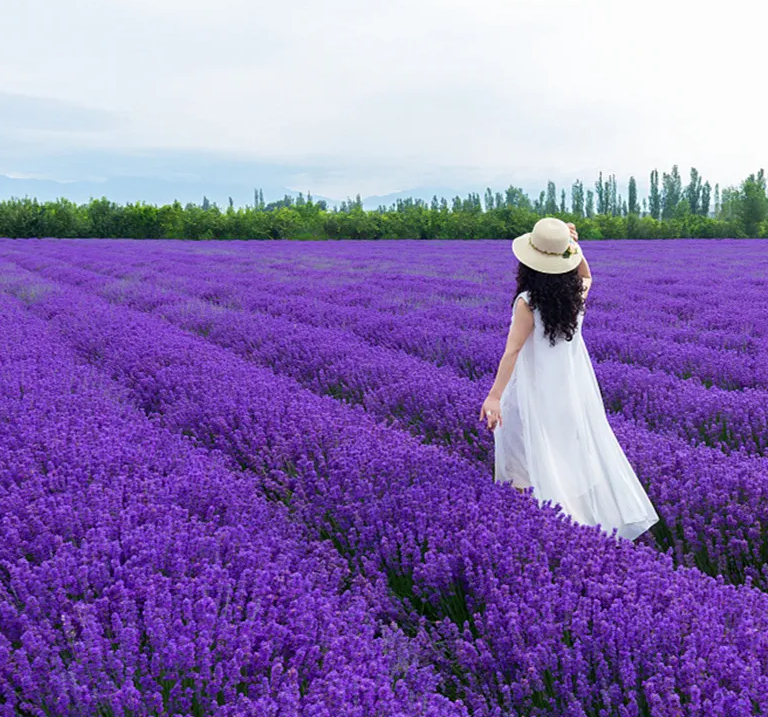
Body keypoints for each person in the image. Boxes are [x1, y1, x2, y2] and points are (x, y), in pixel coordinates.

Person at [478, 217, 659, 541]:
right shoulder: (575, 297)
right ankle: (575, 530)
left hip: (532, 394)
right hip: (568, 393)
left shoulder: (528, 302)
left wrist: (493, 396)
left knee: (523, 464)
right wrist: (572, 247)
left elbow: (512, 351)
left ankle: (534, 534)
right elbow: (587, 274)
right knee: (564, 456)